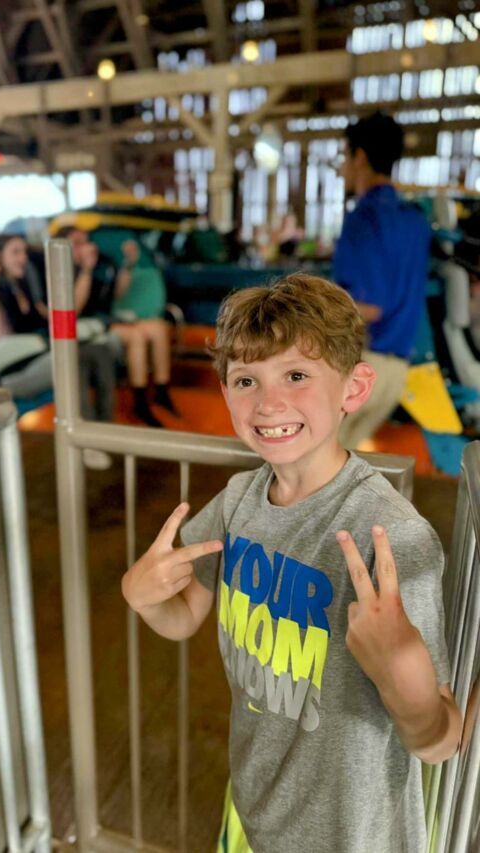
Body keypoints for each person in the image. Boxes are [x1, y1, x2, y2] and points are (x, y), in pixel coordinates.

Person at [122, 275, 461, 853]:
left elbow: (439, 741)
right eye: (246, 380)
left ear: (354, 388)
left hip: (351, 837)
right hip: (252, 806)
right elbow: (182, 618)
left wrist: (404, 678)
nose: (268, 403)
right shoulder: (237, 500)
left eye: (297, 376)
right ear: (226, 392)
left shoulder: (394, 538)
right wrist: (144, 596)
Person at [333, 110, 431, 449]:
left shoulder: (364, 217)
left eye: (345, 157)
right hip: (396, 372)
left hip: (362, 364)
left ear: (360, 157)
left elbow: (368, 307)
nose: (342, 168)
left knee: (308, 465)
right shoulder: (415, 220)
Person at [0, 233, 116, 470]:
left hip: (40, 355)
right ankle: (86, 441)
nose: (23, 258)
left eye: (23, 252)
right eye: (15, 252)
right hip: (15, 369)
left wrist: (85, 274)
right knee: (72, 360)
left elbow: (51, 318)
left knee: (100, 350)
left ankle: (104, 431)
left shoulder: (24, 286)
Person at [58, 226, 177, 428]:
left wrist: (128, 264)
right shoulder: (64, 270)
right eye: (77, 243)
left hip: (107, 319)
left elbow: (117, 293)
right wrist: (86, 270)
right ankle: (140, 402)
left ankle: (161, 390)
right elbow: (74, 310)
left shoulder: (103, 263)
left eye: (86, 241)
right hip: (88, 325)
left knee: (159, 328)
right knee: (136, 336)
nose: (86, 246)